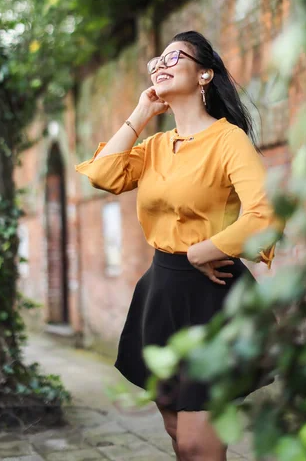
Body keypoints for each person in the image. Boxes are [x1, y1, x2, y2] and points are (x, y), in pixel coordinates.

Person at [75, 31, 285, 461]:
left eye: (174, 57)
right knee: (176, 433)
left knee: (197, 443)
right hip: (161, 292)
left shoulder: (229, 141)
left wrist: (202, 251)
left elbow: (266, 215)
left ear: (204, 74)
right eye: (156, 59)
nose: (160, 65)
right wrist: (141, 111)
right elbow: (102, 175)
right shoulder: (154, 147)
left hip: (214, 297)